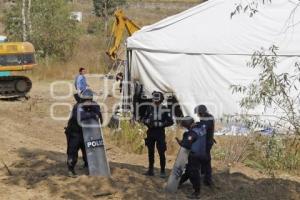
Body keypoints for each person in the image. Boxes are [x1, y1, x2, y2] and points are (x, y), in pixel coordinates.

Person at [65, 89, 103, 177]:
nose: (88, 102)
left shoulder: (95, 105)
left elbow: (98, 114)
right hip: (74, 133)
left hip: (87, 133)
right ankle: (71, 169)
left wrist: (96, 114)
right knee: (72, 151)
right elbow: (81, 116)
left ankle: (88, 166)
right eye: (86, 100)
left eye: (89, 100)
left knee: (88, 151)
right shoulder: (77, 107)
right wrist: (92, 115)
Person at [142, 91, 174, 178]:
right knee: (150, 151)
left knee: (161, 152)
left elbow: (171, 121)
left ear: (161, 100)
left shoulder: (164, 109)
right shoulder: (149, 108)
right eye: (154, 99)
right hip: (151, 132)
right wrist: (146, 121)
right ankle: (150, 170)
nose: (155, 101)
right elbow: (143, 118)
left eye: (157, 99)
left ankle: (163, 171)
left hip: (160, 133)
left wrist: (162, 124)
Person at [176, 116, 208, 199]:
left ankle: (197, 192)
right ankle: (178, 183)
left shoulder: (191, 133)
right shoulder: (201, 128)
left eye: (185, 126)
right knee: (189, 170)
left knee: (194, 173)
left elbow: (185, 145)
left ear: (188, 125)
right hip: (203, 154)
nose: (185, 127)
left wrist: (180, 142)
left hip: (195, 155)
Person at [194, 105, 215, 186]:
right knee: (202, 160)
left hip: (207, 143)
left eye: (198, 113)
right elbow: (202, 125)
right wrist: (196, 124)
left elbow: (203, 129)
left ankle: (208, 180)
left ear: (201, 112)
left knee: (206, 160)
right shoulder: (205, 118)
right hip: (204, 142)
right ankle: (203, 176)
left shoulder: (209, 118)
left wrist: (195, 127)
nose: (198, 115)